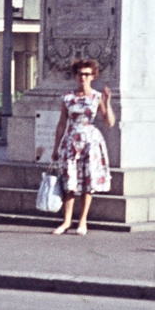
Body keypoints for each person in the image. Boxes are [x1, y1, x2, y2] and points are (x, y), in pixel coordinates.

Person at [49, 59, 115, 235]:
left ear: (93, 76)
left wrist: (107, 103)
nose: (83, 77)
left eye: (87, 74)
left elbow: (109, 122)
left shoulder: (97, 97)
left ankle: (82, 221)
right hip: (71, 141)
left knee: (88, 182)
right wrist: (56, 148)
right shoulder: (68, 97)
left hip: (90, 142)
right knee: (69, 182)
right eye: (80, 74)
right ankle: (66, 221)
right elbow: (62, 123)